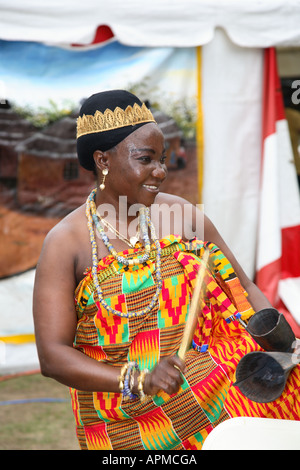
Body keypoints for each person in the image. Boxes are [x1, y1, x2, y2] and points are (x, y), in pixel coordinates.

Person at [33, 90, 300, 451]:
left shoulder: (184, 216)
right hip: (124, 424)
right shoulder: (65, 242)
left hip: (216, 403)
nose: (160, 171)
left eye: (162, 159)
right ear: (102, 159)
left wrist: (282, 346)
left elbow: (245, 288)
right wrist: (140, 379)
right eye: (146, 159)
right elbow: (53, 356)